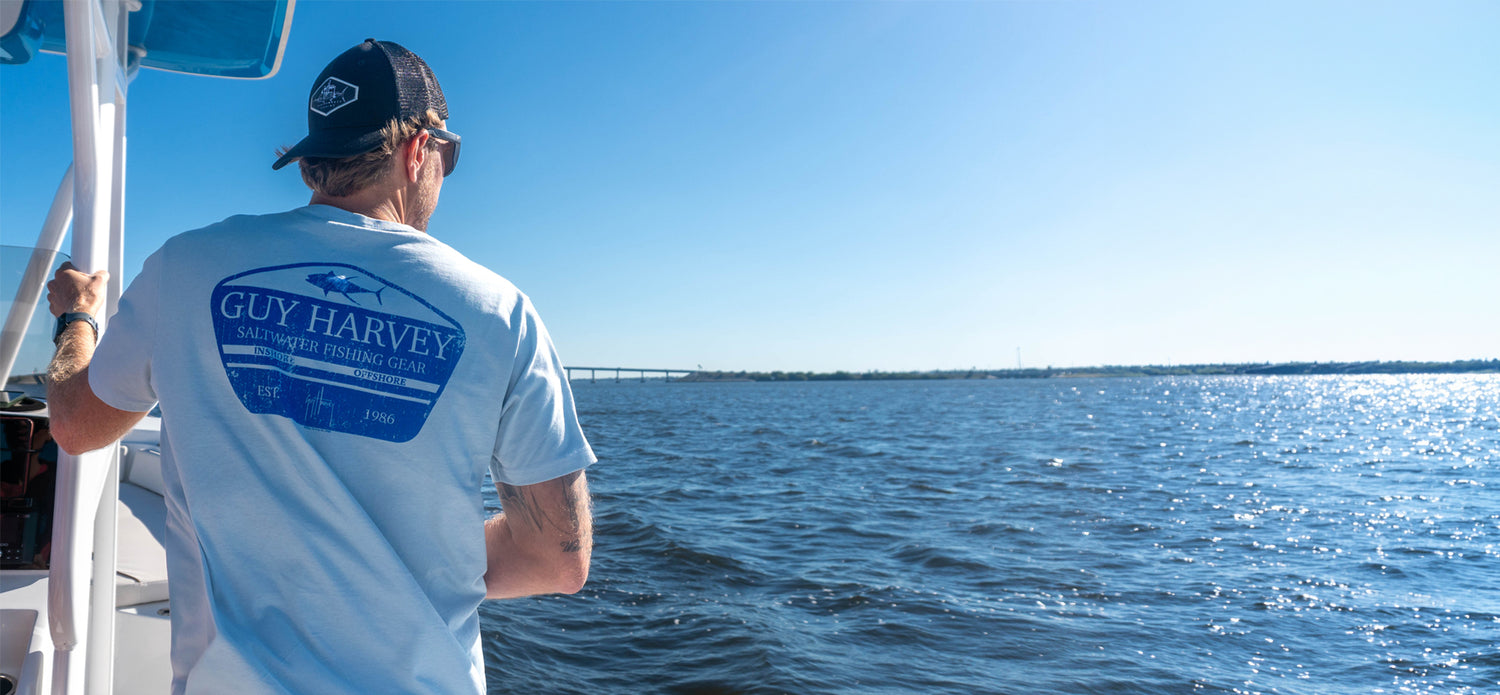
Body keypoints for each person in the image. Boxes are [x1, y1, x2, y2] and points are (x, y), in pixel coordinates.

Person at [44, 39, 594, 695]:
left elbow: (76, 423)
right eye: (449, 156)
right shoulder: (503, 313)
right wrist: (406, 564)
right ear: (418, 150)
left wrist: (78, 315)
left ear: (311, 168)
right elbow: (557, 558)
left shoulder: (184, 267)